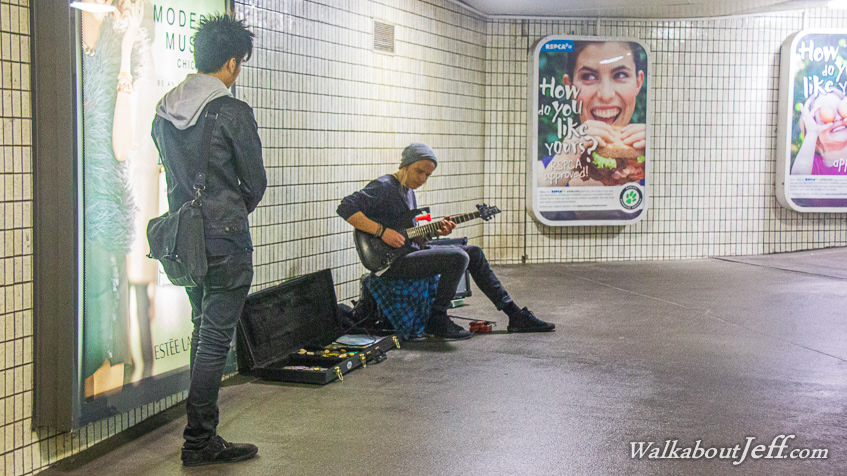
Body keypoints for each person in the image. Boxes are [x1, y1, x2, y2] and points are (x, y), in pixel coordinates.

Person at [151, 14, 267, 467]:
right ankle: (199, 440)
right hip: (225, 242)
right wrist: (229, 215)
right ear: (233, 63)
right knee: (215, 341)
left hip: (186, 241)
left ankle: (202, 435)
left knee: (204, 332)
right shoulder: (231, 111)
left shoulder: (164, 109)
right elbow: (254, 183)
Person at [338, 143, 555, 340]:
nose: (422, 178)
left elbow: (409, 234)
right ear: (405, 165)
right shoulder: (384, 186)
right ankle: (437, 318)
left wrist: (436, 232)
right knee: (458, 257)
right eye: (419, 171)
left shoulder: (407, 191)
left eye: (428, 175)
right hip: (389, 262)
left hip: (406, 251)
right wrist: (382, 232)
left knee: (473, 252)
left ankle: (514, 314)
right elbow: (345, 208)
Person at [79, 0, 148, 397]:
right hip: (73, 206)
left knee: (106, 320)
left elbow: (121, 146)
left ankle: (101, 408)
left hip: (103, 206)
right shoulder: (67, 28)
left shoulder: (123, 44)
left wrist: (123, 55)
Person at [539, 41, 646, 188]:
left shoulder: (651, 162)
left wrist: (660, 159)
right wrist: (561, 164)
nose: (606, 95)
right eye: (588, 77)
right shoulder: (541, 172)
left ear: (638, 83)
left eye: (620, 75)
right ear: (570, 88)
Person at [791, 90, 847, 175]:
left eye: (841, 111)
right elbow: (798, 178)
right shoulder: (811, 165)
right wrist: (812, 133)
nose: (838, 118)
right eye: (826, 113)